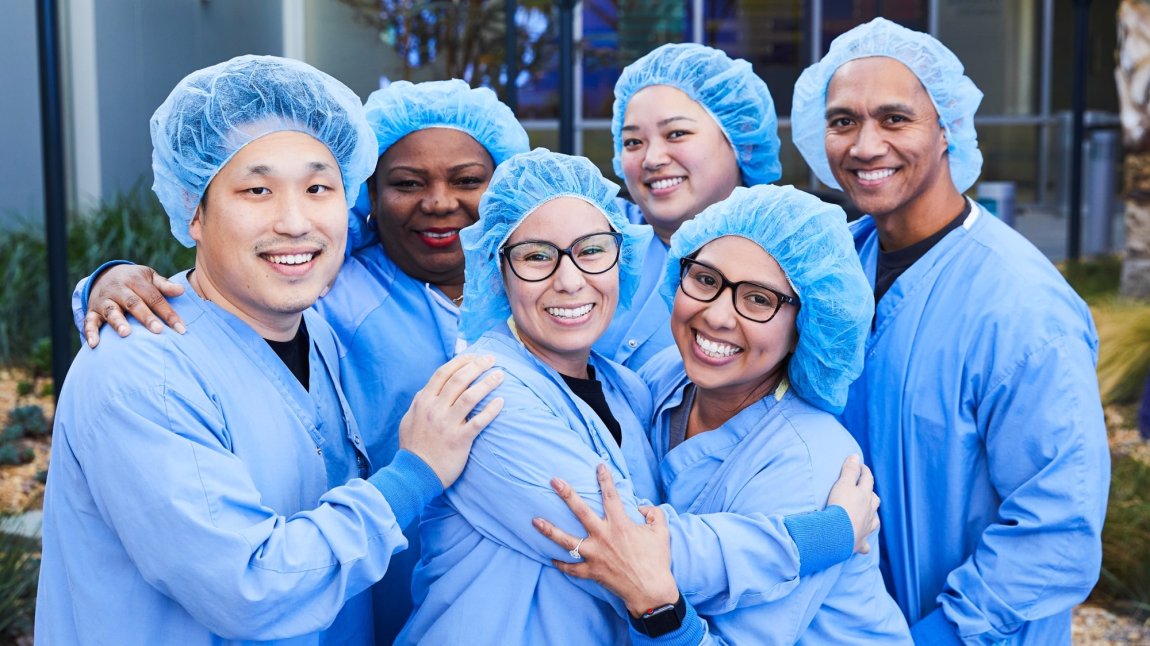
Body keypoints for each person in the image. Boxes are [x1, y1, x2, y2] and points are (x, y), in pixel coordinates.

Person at [35, 55, 504, 644]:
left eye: (318, 188)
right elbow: (249, 589)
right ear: (193, 208)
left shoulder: (318, 334)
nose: (293, 220)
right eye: (257, 189)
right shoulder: (142, 370)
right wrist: (414, 474)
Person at [398, 149, 878, 645]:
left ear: (622, 258)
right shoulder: (484, 398)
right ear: (499, 270)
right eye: (537, 256)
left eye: (591, 250)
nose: (568, 279)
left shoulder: (630, 387)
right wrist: (829, 534)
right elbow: (628, 552)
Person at [789, 17, 1110, 643]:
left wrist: (944, 634)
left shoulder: (1021, 308)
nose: (864, 145)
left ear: (948, 130)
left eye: (894, 118)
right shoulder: (830, 274)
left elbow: (1057, 525)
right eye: (842, 121)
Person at [532, 184, 911, 644]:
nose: (716, 316)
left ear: (805, 325)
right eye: (706, 280)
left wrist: (658, 608)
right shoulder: (665, 378)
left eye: (758, 299)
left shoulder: (810, 464)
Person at [595, 42, 781, 369]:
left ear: (743, 142)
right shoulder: (593, 237)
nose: (652, 159)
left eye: (677, 133)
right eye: (633, 142)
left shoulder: (788, 259)